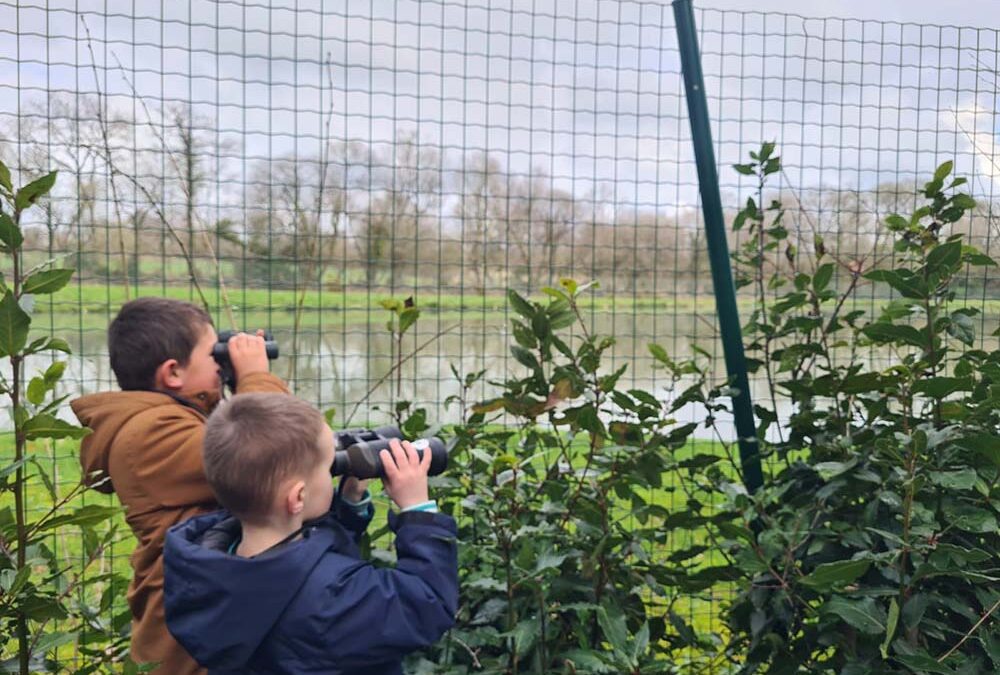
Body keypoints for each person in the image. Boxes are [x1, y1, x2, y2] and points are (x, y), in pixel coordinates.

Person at [162, 393, 458, 675]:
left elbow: (305, 560)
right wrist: (417, 510)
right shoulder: (331, 600)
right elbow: (425, 604)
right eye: (329, 468)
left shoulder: (210, 569)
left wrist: (349, 502)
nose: (333, 472)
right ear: (298, 497)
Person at [70, 297, 290, 675]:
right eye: (214, 355)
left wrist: (235, 383)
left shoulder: (169, 420)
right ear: (173, 373)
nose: (222, 364)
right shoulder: (151, 433)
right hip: (187, 645)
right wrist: (255, 377)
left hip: (199, 621)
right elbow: (270, 452)